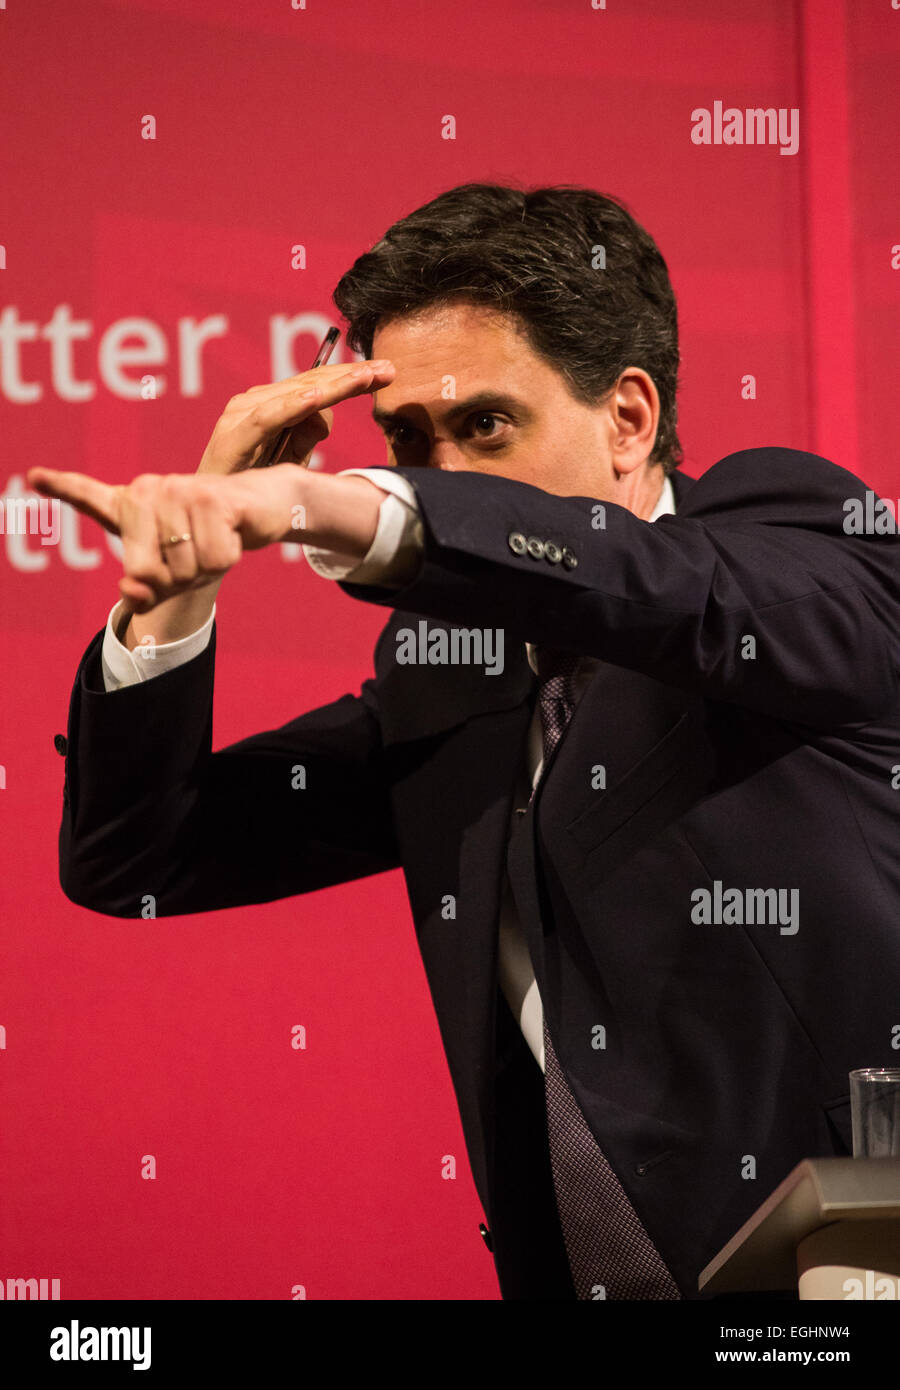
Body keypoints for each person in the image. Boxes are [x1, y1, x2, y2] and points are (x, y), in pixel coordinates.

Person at [29, 183, 900, 1301]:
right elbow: (141, 856)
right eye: (406, 442)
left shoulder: (796, 545)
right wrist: (179, 593)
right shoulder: (450, 675)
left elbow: (648, 584)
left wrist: (330, 506)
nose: (433, 474)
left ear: (630, 418)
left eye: (485, 425)